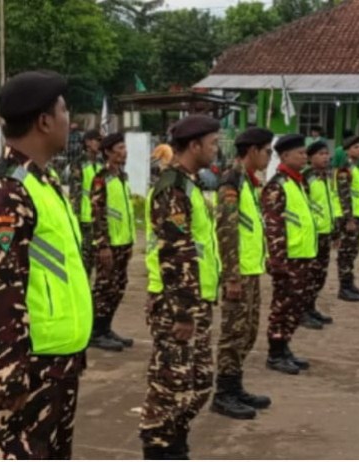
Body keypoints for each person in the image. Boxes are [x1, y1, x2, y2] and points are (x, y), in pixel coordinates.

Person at [0, 70, 92, 459]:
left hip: (53, 357)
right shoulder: (5, 191)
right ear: (44, 121)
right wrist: (9, 375)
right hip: (23, 364)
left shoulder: (43, 180)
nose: (71, 120)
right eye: (65, 110)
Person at [141, 114, 221, 459]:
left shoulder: (191, 184)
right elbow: (175, 252)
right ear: (194, 145)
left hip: (197, 299)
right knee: (168, 390)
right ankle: (160, 449)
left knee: (199, 385)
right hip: (178, 305)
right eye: (213, 143)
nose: (216, 150)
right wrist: (183, 311)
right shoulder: (172, 187)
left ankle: (175, 442)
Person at [210, 127, 274, 420]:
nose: (269, 156)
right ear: (251, 151)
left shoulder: (249, 182)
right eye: (267, 151)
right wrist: (232, 275)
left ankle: (234, 385)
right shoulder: (231, 181)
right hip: (239, 273)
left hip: (251, 269)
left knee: (247, 331)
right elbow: (227, 228)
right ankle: (223, 393)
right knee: (233, 334)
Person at [262, 134, 318, 375]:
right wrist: (278, 261)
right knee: (283, 306)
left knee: (296, 305)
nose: (305, 157)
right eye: (300, 153)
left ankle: (285, 346)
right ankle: (275, 352)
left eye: (305, 153)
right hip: (288, 259)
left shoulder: (298, 182)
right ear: (284, 156)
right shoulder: (277, 185)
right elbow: (273, 226)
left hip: (304, 255)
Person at [89, 132, 137, 352]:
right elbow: (97, 212)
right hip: (110, 244)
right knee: (104, 288)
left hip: (123, 242)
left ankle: (106, 327)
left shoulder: (121, 177)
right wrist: (102, 244)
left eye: (124, 148)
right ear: (108, 152)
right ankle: (95, 331)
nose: (123, 152)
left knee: (118, 287)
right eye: (119, 148)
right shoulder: (101, 177)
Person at [302, 140, 337, 329]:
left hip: (325, 233)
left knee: (319, 276)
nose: (326, 157)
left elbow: (330, 204)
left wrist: (334, 230)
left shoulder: (326, 177)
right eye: (321, 154)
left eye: (327, 154)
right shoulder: (306, 178)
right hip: (312, 235)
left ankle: (311, 306)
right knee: (308, 276)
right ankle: (303, 312)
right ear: (310, 157)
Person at [336, 136, 359, 302]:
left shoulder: (358, 168)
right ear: (348, 150)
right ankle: (344, 287)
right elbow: (343, 195)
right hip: (350, 217)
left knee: (353, 252)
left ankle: (350, 284)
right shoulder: (345, 169)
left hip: (358, 215)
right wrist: (348, 218)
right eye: (356, 147)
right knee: (346, 253)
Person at [68, 129, 104, 275]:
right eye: (97, 140)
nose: (99, 144)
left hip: (99, 218)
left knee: (98, 259)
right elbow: (75, 192)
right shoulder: (79, 163)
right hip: (85, 218)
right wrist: (75, 217)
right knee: (85, 258)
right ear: (88, 142)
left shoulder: (102, 163)